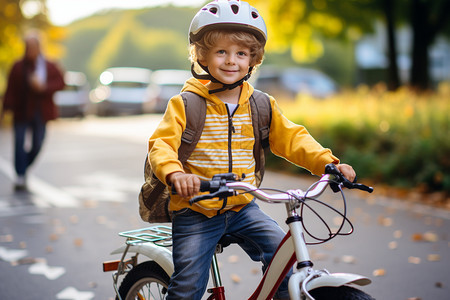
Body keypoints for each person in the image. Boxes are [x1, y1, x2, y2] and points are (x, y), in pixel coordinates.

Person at [148, 1, 356, 299]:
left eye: (241, 53)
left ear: (253, 59)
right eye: (221, 51)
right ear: (202, 55)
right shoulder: (186, 104)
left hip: (243, 206)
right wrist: (175, 174)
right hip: (196, 209)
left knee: (287, 260)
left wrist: (327, 163)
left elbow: (293, 138)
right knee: (187, 286)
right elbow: (162, 145)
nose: (231, 61)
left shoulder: (260, 104)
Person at [2, 31, 65, 190]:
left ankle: (23, 167)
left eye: (32, 47)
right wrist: (5, 110)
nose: (30, 50)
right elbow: (10, 90)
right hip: (21, 111)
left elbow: (61, 82)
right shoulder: (18, 66)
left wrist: (44, 87)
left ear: (38, 47)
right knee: (19, 143)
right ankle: (20, 175)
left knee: (38, 143)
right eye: (27, 47)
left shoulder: (48, 65)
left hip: (41, 112)